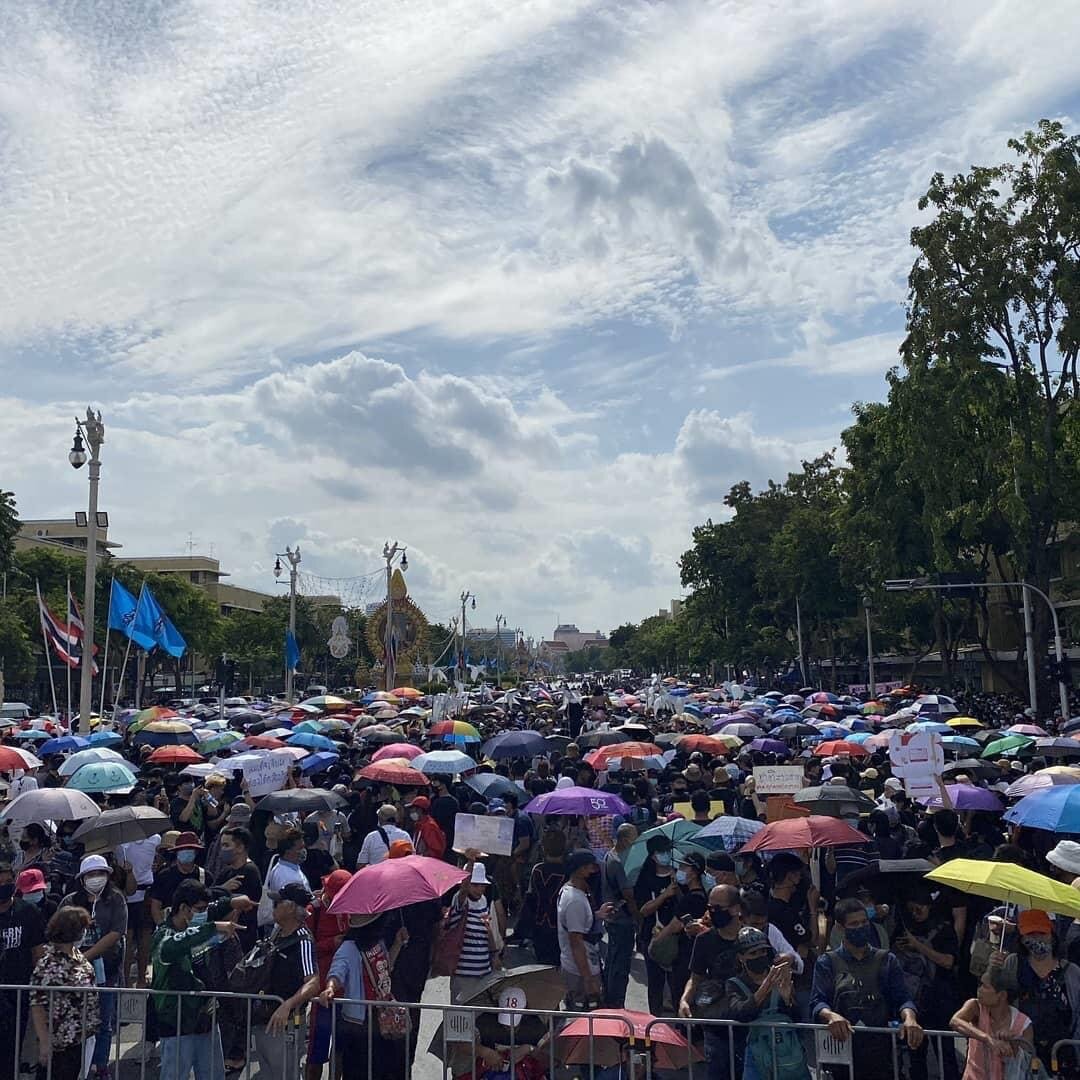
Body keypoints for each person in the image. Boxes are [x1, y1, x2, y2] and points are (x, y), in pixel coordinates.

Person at [810, 896, 924, 1080]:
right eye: (853, 924)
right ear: (840, 927)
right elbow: (817, 1002)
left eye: (864, 922)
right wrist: (830, 1015)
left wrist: (910, 1018)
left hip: (881, 1050)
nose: (861, 927)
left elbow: (903, 998)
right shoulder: (827, 962)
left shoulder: (887, 959)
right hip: (843, 1050)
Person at [151, 878, 251, 1080]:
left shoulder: (199, 927)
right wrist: (213, 927)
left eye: (205, 909)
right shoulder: (164, 937)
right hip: (177, 1023)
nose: (204, 914)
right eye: (199, 909)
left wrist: (231, 903)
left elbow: (212, 907)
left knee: (213, 1074)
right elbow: (179, 943)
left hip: (205, 1019)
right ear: (183, 908)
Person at [319, 910, 411, 1080]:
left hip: (381, 1019)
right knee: (358, 1071)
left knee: (381, 1069)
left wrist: (397, 944)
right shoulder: (348, 948)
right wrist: (330, 988)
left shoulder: (378, 944)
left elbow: (385, 967)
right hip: (359, 1023)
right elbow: (337, 970)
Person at [60, 855, 128, 1079]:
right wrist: (74, 957)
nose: (96, 878)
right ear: (82, 879)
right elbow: (56, 931)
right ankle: (77, 1066)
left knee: (104, 1022)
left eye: (100, 874)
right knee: (75, 1020)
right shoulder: (70, 901)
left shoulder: (116, 899)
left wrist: (87, 955)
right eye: (91, 874)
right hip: (73, 974)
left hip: (106, 969)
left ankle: (101, 1066)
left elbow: (116, 933)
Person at [252, 883, 321, 1080]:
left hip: (286, 1025)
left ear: (291, 908)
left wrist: (288, 1005)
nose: (274, 906)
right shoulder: (276, 933)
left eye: (278, 903)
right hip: (264, 1020)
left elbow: (313, 982)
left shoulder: (303, 941)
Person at [1002, 908, 1080, 1076]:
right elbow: (997, 999)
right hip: (1023, 1054)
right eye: (1030, 935)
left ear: (1052, 934)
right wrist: (992, 969)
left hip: (1065, 1055)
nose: (1036, 939)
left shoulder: (1072, 972)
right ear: (1021, 938)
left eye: (1041, 933)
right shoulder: (1013, 964)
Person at [724, 926, 808, 1080]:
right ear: (741, 957)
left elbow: (797, 1018)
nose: (759, 956)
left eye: (762, 952)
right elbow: (739, 1012)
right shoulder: (734, 983)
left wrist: (788, 999)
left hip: (788, 1052)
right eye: (753, 953)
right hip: (757, 1055)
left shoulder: (782, 977)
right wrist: (765, 987)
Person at [680, 885, 745, 1080]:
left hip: (749, 1021)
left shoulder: (752, 937)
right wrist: (684, 1000)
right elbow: (695, 977)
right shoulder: (704, 940)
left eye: (717, 908)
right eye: (710, 907)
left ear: (735, 909)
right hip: (716, 1023)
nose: (712, 912)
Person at [30, 906, 100, 1080]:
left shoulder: (77, 955)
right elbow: (37, 1004)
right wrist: (45, 1042)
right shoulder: (48, 964)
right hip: (60, 1042)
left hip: (80, 1037)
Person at [0, 862, 46, 1080]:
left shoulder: (28, 912)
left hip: (18, 993)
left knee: (11, 1052)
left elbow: (38, 951)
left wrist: (37, 988)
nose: (4, 886)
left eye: (8, 882)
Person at [951, 967, 1033, 1080]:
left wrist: (1013, 1042)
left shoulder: (1023, 1023)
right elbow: (955, 1021)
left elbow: (1028, 1060)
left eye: (985, 986)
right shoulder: (975, 1007)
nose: (979, 989)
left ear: (1002, 995)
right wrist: (988, 1039)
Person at [558, 850, 614, 1009]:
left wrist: (597, 915)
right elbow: (576, 943)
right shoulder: (575, 900)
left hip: (586, 965)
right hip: (579, 972)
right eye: (592, 868)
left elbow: (577, 922)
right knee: (584, 1017)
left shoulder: (575, 893)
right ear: (581, 870)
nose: (596, 872)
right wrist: (588, 979)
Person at [447, 863, 502, 1002]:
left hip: (483, 971)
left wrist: (494, 954)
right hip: (463, 973)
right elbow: (463, 890)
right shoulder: (460, 900)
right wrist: (470, 860)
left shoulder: (483, 901)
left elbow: (486, 928)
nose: (480, 890)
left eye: (482, 886)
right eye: (475, 885)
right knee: (459, 1018)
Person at [600, 823, 639, 1008]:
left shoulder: (611, 855)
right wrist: (637, 915)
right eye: (633, 838)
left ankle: (610, 997)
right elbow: (628, 894)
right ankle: (616, 1003)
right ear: (624, 839)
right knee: (620, 964)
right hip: (621, 919)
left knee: (612, 959)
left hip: (613, 916)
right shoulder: (617, 862)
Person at [115, 831, 160, 987]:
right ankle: (127, 982)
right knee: (130, 943)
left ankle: (139, 980)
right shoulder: (120, 844)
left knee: (142, 943)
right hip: (127, 896)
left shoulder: (154, 839)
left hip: (145, 896)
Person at [522, 828, 566, 965]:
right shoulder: (568, 871)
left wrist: (523, 928)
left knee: (541, 964)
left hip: (539, 922)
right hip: (560, 923)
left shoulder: (538, 869)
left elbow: (530, 898)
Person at [149, 832, 205, 926]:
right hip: (170, 927)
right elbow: (155, 906)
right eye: (183, 850)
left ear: (196, 852)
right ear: (177, 852)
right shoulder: (164, 876)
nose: (186, 852)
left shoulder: (204, 875)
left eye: (190, 849)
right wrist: (162, 927)